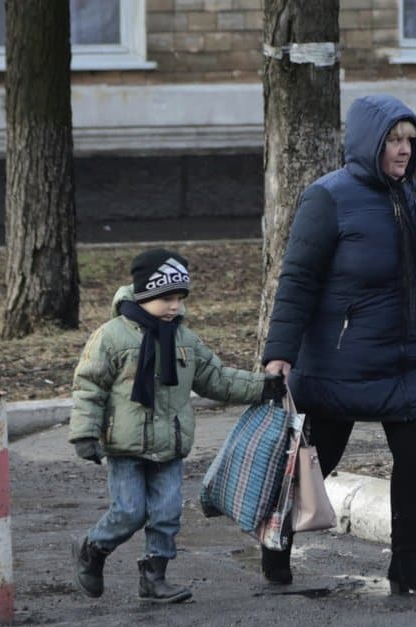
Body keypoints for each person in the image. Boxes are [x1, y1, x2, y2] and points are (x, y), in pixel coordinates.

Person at [261, 94, 416, 596]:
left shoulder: (408, 194)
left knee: (415, 460)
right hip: (341, 362)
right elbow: (297, 279)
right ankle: (276, 539)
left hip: (407, 359)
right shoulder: (327, 197)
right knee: (316, 464)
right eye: (394, 139)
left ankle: (406, 565)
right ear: (370, 142)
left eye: (411, 140)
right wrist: (280, 353)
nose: (405, 149)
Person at [70, 248, 284, 604]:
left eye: (180, 299)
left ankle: (154, 577)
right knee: (128, 511)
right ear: (144, 293)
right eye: (166, 298)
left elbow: (216, 378)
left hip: (169, 445)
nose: (175, 307)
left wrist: (263, 386)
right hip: (126, 445)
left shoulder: (185, 340)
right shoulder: (111, 337)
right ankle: (92, 550)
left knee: (167, 513)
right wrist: (85, 433)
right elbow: (88, 386)